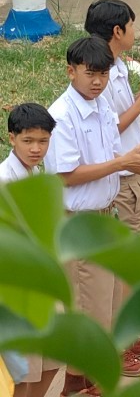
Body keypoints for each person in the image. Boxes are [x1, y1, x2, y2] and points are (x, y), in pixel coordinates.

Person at [45, 38, 140, 393]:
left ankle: (77, 382)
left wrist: (137, 157)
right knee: (90, 311)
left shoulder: (102, 109)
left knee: (105, 308)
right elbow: (66, 175)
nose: (98, 81)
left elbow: (110, 158)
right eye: (90, 73)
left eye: (104, 74)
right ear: (71, 71)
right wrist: (123, 162)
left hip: (105, 218)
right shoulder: (61, 116)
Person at [83, 0, 140, 366]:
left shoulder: (118, 67)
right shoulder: (99, 77)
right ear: (117, 31)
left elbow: (125, 122)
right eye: (132, 25)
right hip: (118, 181)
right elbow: (108, 131)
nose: (136, 32)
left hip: (133, 174)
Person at [2, 102, 63, 397]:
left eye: (43, 141)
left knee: (51, 360)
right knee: (20, 371)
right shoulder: (6, 181)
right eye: (28, 141)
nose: (36, 148)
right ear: (11, 138)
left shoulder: (35, 173)